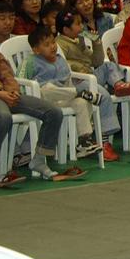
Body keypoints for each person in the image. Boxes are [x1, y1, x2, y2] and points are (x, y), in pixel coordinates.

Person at [0, 35, 79, 187]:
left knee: (53, 112)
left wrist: (12, 91)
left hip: (7, 93)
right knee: (3, 116)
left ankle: (39, 160)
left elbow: (8, 76)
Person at [19, 26, 103, 159]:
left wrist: (70, 92)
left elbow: (67, 80)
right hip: (41, 100)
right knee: (47, 88)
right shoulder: (30, 61)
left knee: (81, 102)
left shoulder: (60, 60)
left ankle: (84, 141)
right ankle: (79, 92)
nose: (52, 46)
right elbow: (20, 81)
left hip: (62, 98)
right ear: (35, 50)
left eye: (53, 42)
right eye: (46, 45)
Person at [53, 8, 122, 159]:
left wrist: (97, 43)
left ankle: (118, 84)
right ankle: (103, 143)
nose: (82, 27)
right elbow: (63, 65)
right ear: (65, 29)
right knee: (102, 95)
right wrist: (79, 68)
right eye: (78, 24)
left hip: (89, 74)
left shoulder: (79, 40)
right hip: (76, 80)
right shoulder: (60, 44)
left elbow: (96, 61)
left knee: (108, 65)